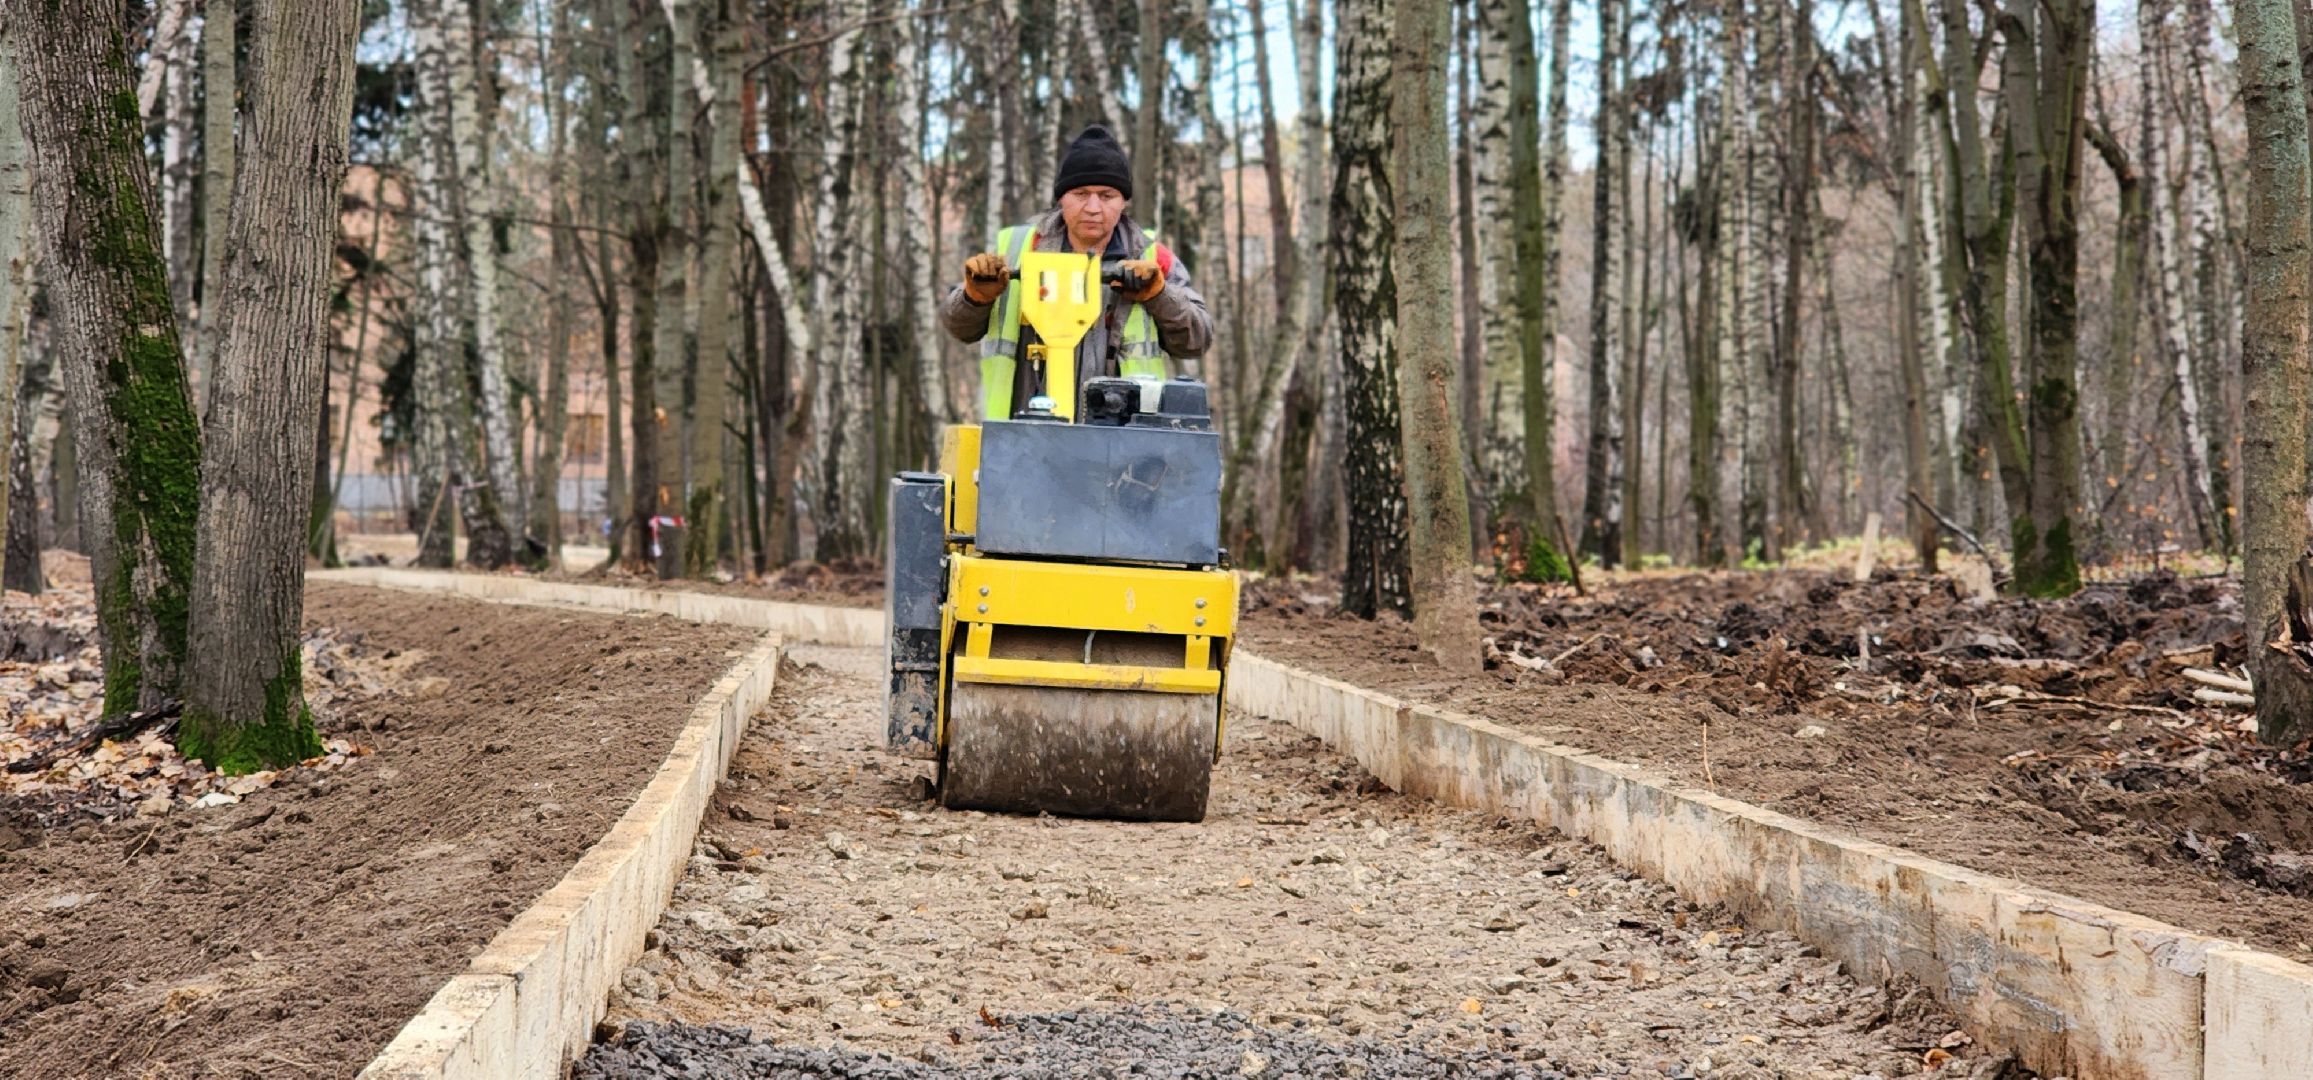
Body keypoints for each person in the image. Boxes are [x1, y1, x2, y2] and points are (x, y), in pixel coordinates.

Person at [940, 125, 1213, 419]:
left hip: (1122, 441)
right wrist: (975, 298)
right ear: (1061, 198)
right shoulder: (1017, 249)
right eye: (1081, 193)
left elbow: (1195, 341)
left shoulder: (1152, 258)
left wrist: (1159, 296)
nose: (1093, 207)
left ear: (1124, 201)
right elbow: (958, 327)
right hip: (1022, 437)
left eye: (1106, 195)